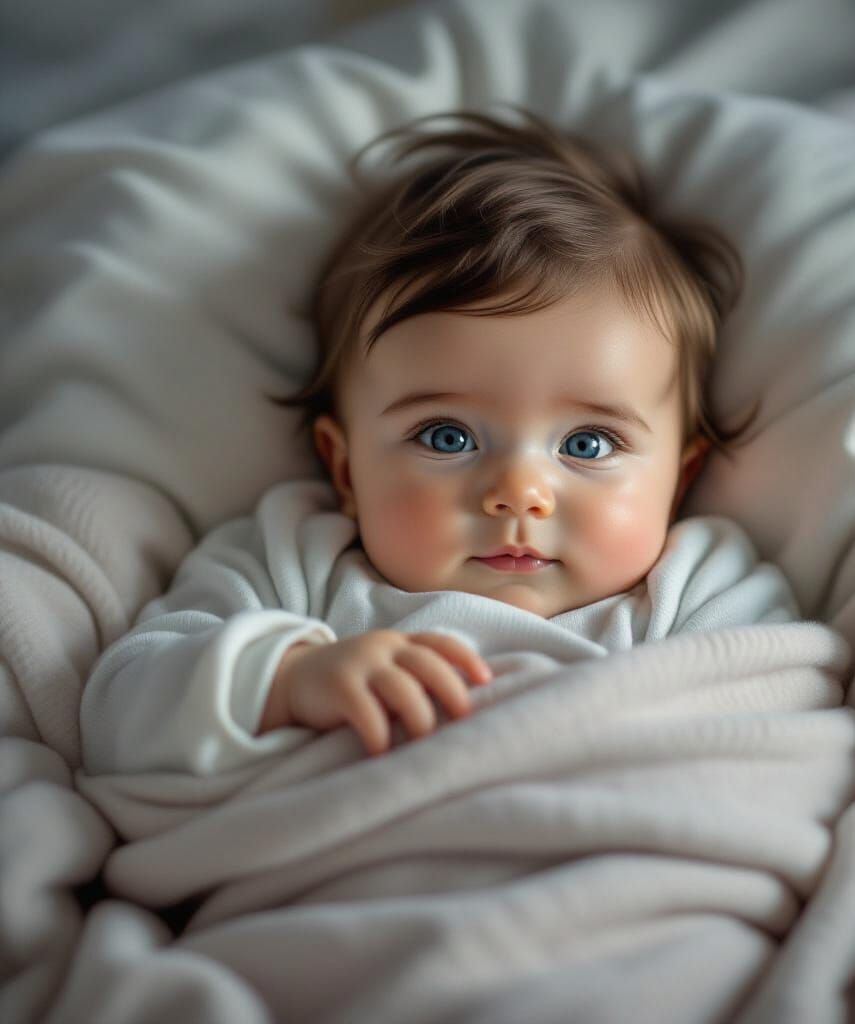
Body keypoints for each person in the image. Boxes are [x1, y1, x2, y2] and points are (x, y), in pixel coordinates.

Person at [80, 108, 797, 775]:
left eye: (588, 444)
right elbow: (121, 708)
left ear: (679, 477)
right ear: (346, 470)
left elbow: (784, 724)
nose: (519, 493)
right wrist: (289, 680)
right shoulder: (295, 563)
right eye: (447, 436)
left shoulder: (695, 588)